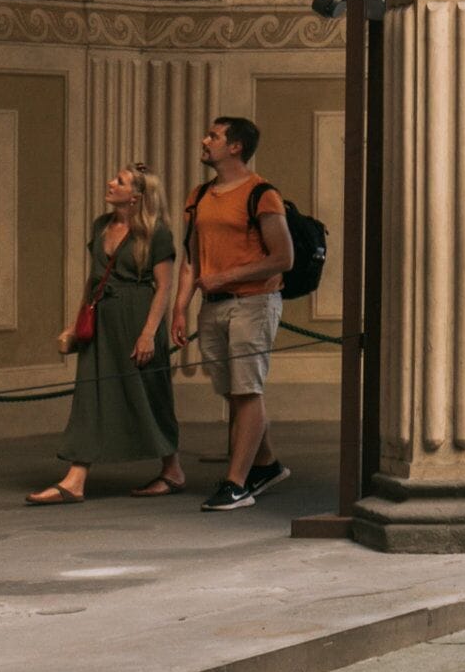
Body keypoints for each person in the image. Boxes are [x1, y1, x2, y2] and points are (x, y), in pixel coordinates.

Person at [28, 163, 184, 504]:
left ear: (136, 197)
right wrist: (76, 323)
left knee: (149, 392)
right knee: (91, 393)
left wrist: (147, 334)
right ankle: (76, 478)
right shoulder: (102, 225)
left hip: (138, 318)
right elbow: (94, 278)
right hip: (103, 320)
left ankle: (172, 469)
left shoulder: (156, 233)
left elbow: (163, 287)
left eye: (120, 181)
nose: (110, 182)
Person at [185, 115, 293, 512]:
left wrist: (227, 276)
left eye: (213, 136)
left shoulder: (262, 193)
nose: (204, 140)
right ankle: (265, 464)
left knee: (247, 390)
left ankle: (236, 484)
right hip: (213, 306)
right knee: (233, 391)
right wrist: (179, 311)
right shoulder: (198, 196)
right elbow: (191, 261)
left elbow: (283, 258)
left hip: (253, 302)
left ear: (235, 147)